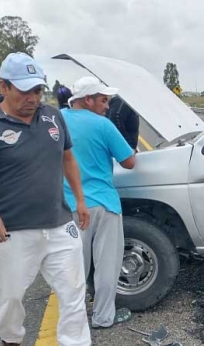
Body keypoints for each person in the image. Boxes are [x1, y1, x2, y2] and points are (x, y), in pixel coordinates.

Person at [0, 52, 105, 346]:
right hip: (9, 232)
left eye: (38, 90)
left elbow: (68, 159)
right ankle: (10, 345)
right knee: (9, 296)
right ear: (4, 87)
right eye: (24, 91)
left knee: (73, 291)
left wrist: (80, 200)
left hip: (58, 223)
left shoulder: (52, 117)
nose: (33, 98)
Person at [62, 77, 136, 328]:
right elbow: (129, 161)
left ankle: (74, 319)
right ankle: (104, 317)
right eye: (103, 100)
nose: (107, 106)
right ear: (87, 99)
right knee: (107, 264)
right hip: (104, 204)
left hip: (69, 205)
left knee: (74, 267)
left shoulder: (57, 121)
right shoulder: (102, 125)